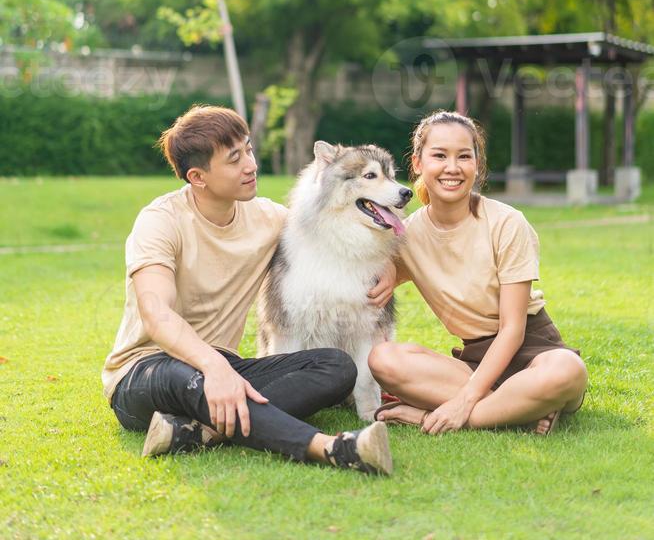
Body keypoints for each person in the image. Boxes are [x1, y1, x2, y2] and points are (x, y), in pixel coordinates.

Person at [102, 104, 394, 475]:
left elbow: (333, 232)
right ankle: (334, 448)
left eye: (249, 149)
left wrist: (390, 264)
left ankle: (199, 433)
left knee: (334, 366)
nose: (251, 165)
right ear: (198, 176)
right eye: (234, 158)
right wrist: (211, 366)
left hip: (224, 365)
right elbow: (157, 314)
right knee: (187, 377)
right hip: (147, 371)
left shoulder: (269, 219)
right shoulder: (160, 221)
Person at [369, 110, 587, 436]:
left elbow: (513, 329)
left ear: (477, 164)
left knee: (568, 370)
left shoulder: (507, 223)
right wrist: (385, 264)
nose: (452, 168)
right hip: (474, 360)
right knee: (384, 359)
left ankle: (442, 415)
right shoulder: (406, 235)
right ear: (418, 163)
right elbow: (374, 269)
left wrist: (465, 400)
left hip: (533, 351)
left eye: (464, 157)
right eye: (439, 155)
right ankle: (521, 410)